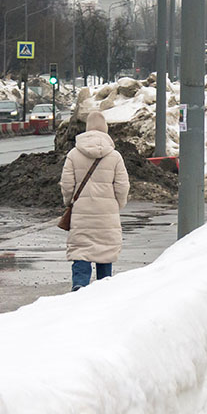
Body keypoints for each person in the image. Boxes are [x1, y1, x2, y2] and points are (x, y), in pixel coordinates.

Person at [60, 110, 129, 291]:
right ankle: (103, 289)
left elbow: (67, 185)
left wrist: (69, 202)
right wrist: (116, 205)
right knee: (105, 251)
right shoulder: (115, 156)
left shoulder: (74, 154)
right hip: (107, 214)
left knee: (82, 249)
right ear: (105, 130)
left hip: (82, 212)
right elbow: (122, 186)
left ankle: (79, 285)